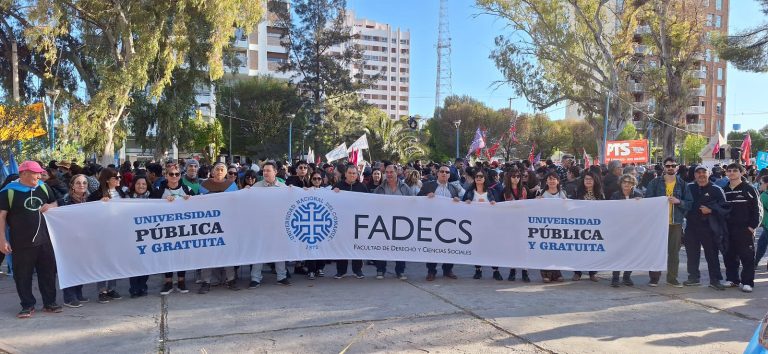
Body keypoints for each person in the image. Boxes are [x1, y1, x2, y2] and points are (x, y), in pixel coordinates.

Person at [0, 161, 62, 318]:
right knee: (22, 274)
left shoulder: (43, 187)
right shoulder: (8, 192)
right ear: (24, 173)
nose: (39, 175)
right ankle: (27, 305)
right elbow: (1, 216)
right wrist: (2, 240)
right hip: (21, 242)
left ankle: (50, 303)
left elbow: (54, 202)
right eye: (35, 173)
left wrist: (52, 206)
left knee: (48, 272)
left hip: (45, 239)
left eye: (40, 172)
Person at [682, 165, 730, 290]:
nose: (701, 175)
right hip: (691, 227)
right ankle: (693, 277)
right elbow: (682, 203)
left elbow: (725, 208)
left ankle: (715, 280)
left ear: (709, 174)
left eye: (704, 172)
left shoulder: (716, 189)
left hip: (709, 228)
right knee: (692, 254)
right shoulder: (689, 187)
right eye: (698, 173)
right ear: (695, 175)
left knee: (712, 254)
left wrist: (711, 210)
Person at [152, 164, 195, 296]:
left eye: (177, 174)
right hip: (165, 229)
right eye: (171, 174)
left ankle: (181, 281)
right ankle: (168, 281)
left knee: (182, 254)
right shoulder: (159, 190)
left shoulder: (187, 189)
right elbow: (150, 206)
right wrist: (163, 202)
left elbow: (198, 206)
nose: (174, 176)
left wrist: (190, 200)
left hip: (183, 229)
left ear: (180, 176)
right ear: (166, 176)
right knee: (167, 254)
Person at [644, 157, 687, 287]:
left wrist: (679, 201)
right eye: (668, 166)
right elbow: (648, 200)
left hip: (676, 222)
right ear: (664, 167)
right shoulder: (655, 183)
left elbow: (689, 203)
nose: (670, 168)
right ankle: (654, 278)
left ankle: (672, 278)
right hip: (658, 223)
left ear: (677, 167)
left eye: (673, 165)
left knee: (674, 252)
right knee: (656, 250)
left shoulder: (682, 184)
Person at [198, 162, 239, 294]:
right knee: (207, 253)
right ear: (212, 171)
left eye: (222, 169)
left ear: (226, 172)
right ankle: (206, 282)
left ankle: (231, 279)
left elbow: (237, 203)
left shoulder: (232, 186)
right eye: (217, 169)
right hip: (208, 224)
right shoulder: (203, 186)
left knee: (228, 253)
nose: (220, 171)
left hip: (227, 223)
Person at [87, 167, 126, 303]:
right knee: (103, 261)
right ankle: (102, 290)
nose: (119, 180)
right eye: (117, 178)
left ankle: (111, 288)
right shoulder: (96, 196)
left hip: (118, 232)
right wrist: (99, 205)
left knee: (114, 261)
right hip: (102, 234)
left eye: (120, 177)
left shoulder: (121, 192)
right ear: (108, 179)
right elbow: (88, 213)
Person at [249, 162, 291, 288]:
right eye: (264, 171)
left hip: (278, 225)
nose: (265, 173)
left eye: (268, 170)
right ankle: (255, 278)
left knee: (279, 251)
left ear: (275, 172)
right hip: (260, 225)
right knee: (258, 251)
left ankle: (282, 276)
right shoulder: (256, 187)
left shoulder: (284, 188)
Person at [722, 163, 763, 293]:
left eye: (735, 170)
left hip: (745, 230)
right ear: (726, 173)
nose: (732, 173)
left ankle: (747, 282)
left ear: (742, 172)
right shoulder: (724, 190)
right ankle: (732, 279)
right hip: (728, 230)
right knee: (729, 255)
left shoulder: (749, 189)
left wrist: (752, 226)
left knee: (747, 257)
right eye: (729, 171)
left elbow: (758, 209)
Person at [418, 165, 462, 281]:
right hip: (432, 222)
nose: (444, 174)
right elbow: (417, 199)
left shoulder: (453, 188)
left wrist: (459, 201)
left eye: (446, 172)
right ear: (437, 173)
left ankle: (448, 270)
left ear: (449, 175)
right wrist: (425, 197)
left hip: (449, 223)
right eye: (441, 171)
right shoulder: (428, 185)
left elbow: (460, 203)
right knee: (432, 247)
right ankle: (431, 271)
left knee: (450, 247)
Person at [58, 174, 93, 308]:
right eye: (78, 183)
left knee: (81, 267)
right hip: (69, 240)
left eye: (84, 183)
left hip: (84, 240)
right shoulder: (64, 201)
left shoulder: (89, 200)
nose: (82, 185)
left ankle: (78, 292)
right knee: (70, 267)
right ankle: (69, 296)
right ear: (72, 185)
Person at [372, 165, 412, 280]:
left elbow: (413, 203)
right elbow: (372, 204)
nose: (389, 174)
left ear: (397, 173)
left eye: (391, 172)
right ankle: (380, 270)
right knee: (381, 246)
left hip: (401, 223)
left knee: (400, 247)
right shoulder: (379, 189)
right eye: (387, 172)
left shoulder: (405, 188)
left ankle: (400, 271)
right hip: (383, 223)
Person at [333, 166, 369, 279]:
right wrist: (333, 193)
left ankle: (357, 270)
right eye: (350, 173)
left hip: (357, 222)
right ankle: (341, 271)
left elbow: (369, 203)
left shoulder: (362, 187)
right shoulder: (338, 186)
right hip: (342, 222)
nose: (352, 175)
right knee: (342, 246)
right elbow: (330, 200)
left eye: (354, 173)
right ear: (345, 174)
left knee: (357, 246)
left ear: (357, 175)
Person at [462, 169, 499, 280]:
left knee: (492, 248)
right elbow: (461, 205)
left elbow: (498, 207)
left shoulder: (491, 192)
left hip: (489, 225)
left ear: (484, 178)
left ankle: (495, 270)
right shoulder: (469, 192)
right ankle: (478, 270)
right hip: (474, 226)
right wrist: (466, 203)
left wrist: (494, 204)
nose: (478, 178)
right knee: (477, 248)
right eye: (477, 176)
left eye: (481, 176)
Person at [609, 174, 644, 287]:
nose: (626, 184)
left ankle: (627, 277)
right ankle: (615, 278)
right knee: (618, 254)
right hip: (619, 229)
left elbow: (643, 212)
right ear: (621, 183)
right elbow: (610, 211)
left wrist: (641, 203)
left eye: (629, 182)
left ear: (633, 184)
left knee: (631, 253)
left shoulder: (638, 195)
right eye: (624, 182)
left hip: (633, 230)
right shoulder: (615, 195)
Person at [572, 171, 604, 282]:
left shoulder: (600, 194)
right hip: (580, 225)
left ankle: (592, 273)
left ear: (595, 181)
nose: (588, 181)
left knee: (593, 250)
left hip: (595, 226)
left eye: (590, 179)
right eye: (586, 179)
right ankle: (577, 272)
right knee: (579, 249)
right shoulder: (577, 192)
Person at [501, 168, 530, 282]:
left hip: (523, 221)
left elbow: (532, 203)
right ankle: (512, 270)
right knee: (512, 247)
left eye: (518, 176)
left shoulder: (524, 189)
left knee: (524, 247)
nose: (516, 178)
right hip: (510, 222)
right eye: (514, 176)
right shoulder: (504, 191)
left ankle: (525, 271)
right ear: (509, 178)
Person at [536, 171, 567, 283]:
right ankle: (545, 274)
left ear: (558, 181)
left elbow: (566, 208)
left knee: (556, 250)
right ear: (546, 181)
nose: (552, 181)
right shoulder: (541, 193)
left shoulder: (562, 194)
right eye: (550, 179)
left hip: (558, 226)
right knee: (545, 249)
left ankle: (556, 273)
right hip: (544, 226)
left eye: (554, 179)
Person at [126, 175, 153, 298]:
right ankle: (134, 288)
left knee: (146, 262)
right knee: (134, 262)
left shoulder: (153, 198)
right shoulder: (125, 197)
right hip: (132, 234)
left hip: (148, 235)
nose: (141, 186)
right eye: (138, 184)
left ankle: (143, 285)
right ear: (134, 185)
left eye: (144, 184)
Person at [754, 176, 768, 267]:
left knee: (762, 244)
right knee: (762, 243)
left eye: (761, 183)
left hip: (767, 226)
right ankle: (755, 262)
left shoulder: (763, 196)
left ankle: (755, 263)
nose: (759, 185)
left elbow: (757, 211)